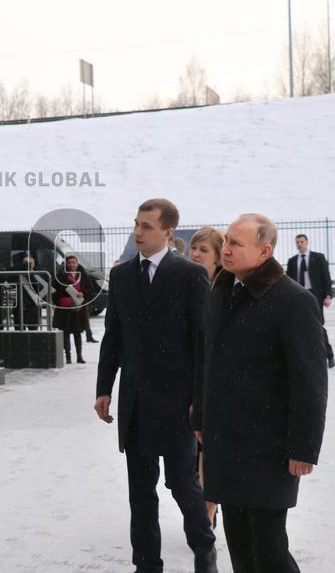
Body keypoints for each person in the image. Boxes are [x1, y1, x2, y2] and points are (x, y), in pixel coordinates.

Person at [193, 213, 328, 573]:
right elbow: (207, 361)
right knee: (240, 548)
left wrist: (303, 448)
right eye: (227, 240)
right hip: (226, 442)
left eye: (237, 243)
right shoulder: (222, 290)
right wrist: (201, 416)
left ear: (265, 251)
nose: (226, 249)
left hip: (269, 446)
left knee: (269, 551)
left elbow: (310, 382)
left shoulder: (293, 301)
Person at [95, 198, 217, 573]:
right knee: (141, 492)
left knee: (182, 483)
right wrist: (104, 389)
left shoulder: (189, 275)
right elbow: (113, 337)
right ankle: (147, 565)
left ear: (168, 232)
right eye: (136, 224)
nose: (138, 232)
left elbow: (203, 345)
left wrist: (199, 400)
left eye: (146, 226)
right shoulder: (121, 276)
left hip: (177, 402)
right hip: (136, 401)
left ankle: (204, 549)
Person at [187, 225, 224, 530]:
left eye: (204, 250)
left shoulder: (223, 292)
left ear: (218, 257)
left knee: (209, 455)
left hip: (213, 385)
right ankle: (204, 512)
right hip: (187, 381)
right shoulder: (185, 284)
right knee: (192, 459)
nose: (196, 254)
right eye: (193, 248)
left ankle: (208, 515)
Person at [285, 234, 335, 368]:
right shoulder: (292, 261)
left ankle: (329, 355)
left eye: (302, 241)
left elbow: (326, 277)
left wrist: (328, 296)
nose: (299, 244)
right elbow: (288, 282)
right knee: (298, 327)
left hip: (314, 297)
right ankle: (304, 357)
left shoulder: (318, 258)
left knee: (318, 326)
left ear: (307, 242)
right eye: (297, 242)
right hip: (297, 297)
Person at [53, 254, 96, 364]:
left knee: (77, 333)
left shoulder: (83, 275)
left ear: (77, 263)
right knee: (66, 333)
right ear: (66, 264)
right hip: (65, 309)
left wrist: (83, 293)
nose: (72, 264)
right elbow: (53, 291)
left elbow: (90, 290)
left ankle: (79, 356)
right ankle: (68, 357)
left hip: (79, 308)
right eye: (70, 262)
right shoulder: (60, 275)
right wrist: (62, 298)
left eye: (74, 262)